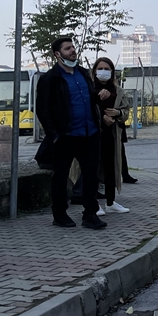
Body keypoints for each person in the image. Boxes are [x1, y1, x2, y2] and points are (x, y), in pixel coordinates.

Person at [35, 37, 106, 230]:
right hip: (65, 136)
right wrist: (54, 136)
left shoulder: (83, 74)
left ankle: (90, 215)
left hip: (89, 133)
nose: (73, 51)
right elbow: (43, 110)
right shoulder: (50, 79)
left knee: (91, 176)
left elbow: (90, 99)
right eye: (68, 49)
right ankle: (60, 214)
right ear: (58, 54)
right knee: (60, 176)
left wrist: (99, 97)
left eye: (73, 47)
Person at [91, 56, 129, 215]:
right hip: (93, 135)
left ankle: (110, 202)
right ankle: (93, 204)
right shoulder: (90, 88)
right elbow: (86, 109)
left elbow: (126, 112)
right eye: (100, 69)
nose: (103, 72)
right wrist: (101, 119)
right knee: (92, 169)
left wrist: (118, 113)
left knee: (111, 167)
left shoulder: (118, 91)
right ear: (94, 71)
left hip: (112, 135)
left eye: (107, 69)